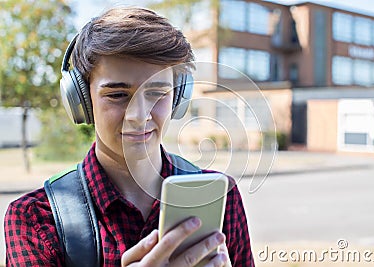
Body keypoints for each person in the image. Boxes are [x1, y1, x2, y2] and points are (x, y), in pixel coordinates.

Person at [4, 6, 254, 267]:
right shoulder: (34, 220)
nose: (139, 115)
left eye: (157, 93)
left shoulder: (220, 198)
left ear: (179, 98)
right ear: (81, 101)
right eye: (117, 95)